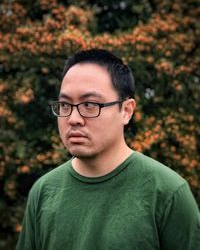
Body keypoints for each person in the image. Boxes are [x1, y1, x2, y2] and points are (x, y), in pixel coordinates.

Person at [16, 49, 200, 250]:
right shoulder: (44, 191)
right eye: (65, 105)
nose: (73, 119)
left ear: (126, 111)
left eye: (90, 105)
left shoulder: (167, 192)